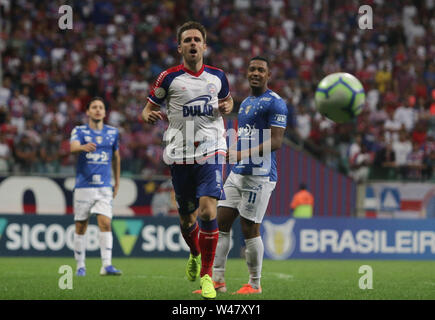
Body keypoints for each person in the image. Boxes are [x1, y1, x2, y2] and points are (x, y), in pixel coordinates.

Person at [142, 21, 233, 299]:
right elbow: (147, 110)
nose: (192, 44)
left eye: (197, 40)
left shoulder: (218, 77)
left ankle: (207, 276)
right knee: (186, 219)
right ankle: (194, 253)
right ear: (179, 46)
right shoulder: (167, 78)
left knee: (208, 211)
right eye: (187, 40)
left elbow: (227, 103)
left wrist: (228, 105)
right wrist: (148, 116)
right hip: (180, 153)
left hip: (212, 149)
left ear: (204, 46)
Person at [211, 56, 288, 294]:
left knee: (249, 229)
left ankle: (254, 284)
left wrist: (242, 153)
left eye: (261, 70)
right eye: (252, 69)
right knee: (221, 223)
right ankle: (218, 281)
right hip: (238, 172)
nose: (255, 73)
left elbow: (276, 142)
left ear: (268, 75)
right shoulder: (244, 103)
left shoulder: (276, 103)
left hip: (260, 175)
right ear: (247, 73)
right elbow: (244, 136)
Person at [70, 97, 122, 277]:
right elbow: (72, 147)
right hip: (84, 186)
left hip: (104, 186)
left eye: (101, 107)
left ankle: (106, 265)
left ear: (105, 112)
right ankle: (80, 266)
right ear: (88, 112)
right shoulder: (79, 131)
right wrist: (82, 147)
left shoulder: (113, 132)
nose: (98, 110)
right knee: (81, 226)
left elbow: (116, 158)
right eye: (94, 107)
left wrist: (117, 182)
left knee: (105, 222)